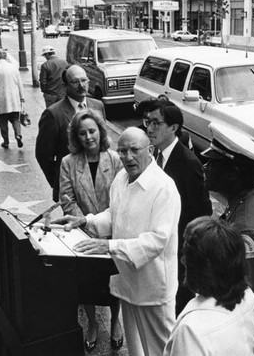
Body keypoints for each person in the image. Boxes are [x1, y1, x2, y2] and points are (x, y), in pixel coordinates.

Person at [54, 127, 181, 356]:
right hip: (127, 283)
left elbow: (157, 240)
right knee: (136, 350)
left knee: (162, 351)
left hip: (153, 289)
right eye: (122, 151)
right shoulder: (122, 178)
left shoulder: (164, 188)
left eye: (134, 150)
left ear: (150, 150)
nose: (128, 157)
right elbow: (114, 214)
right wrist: (86, 221)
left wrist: (109, 246)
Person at [201, 122, 254, 355]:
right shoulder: (252, 196)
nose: (205, 166)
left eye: (213, 163)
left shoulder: (247, 233)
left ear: (234, 175)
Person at [59, 109, 123, 352]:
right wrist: (86, 224)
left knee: (114, 282)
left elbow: (120, 199)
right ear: (76, 136)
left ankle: (116, 323)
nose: (88, 137)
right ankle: (93, 324)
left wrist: (102, 224)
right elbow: (67, 198)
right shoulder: (68, 162)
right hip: (83, 234)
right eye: (82, 132)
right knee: (86, 284)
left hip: (112, 232)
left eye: (92, 131)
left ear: (100, 131)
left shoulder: (115, 159)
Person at [145, 99, 212, 315]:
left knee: (176, 307)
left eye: (156, 123)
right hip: (157, 245)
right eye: (148, 122)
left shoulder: (188, 163)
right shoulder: (152, 155)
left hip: (178, 251)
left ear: (173, 127)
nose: (149, 128)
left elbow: (202, 212)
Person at [163, 217, 254, 356]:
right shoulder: (249, 297)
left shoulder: (191, 329)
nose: (183, 260)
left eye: (187, 256)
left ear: (201, 269)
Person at [35, 65, 106, 202]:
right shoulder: (53, 114)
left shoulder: (98, 106)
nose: (81, 85)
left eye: (84, 80)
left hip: (100, 181)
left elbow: (103, 141)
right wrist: (60, 182)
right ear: (64, 85)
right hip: (71, 187)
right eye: (75, 82)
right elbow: (43, 155)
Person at [0, 49, 25, 149]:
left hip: (0, 99)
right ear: (6, 56)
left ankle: (6, 141)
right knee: (15, 119)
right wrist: (22, 98)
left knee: (3, 121)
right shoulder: (13, 67)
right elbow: (20, 84)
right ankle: (18, 135)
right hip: (13, 98)